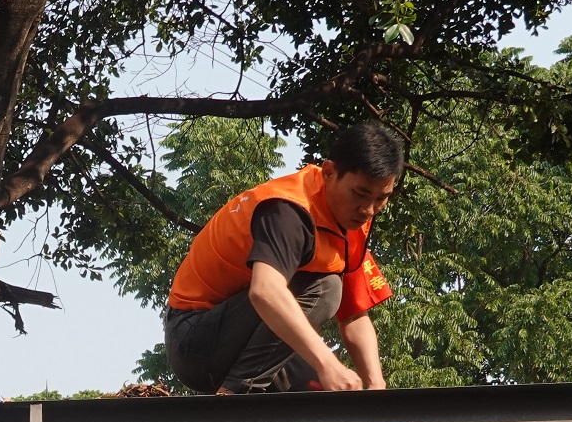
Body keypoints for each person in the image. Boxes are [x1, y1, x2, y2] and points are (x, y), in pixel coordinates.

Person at [163, 120, 406, 394]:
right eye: (360, 194)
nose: (369, 209)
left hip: (244, 341)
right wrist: (328, 363)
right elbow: (265, 292)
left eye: (381, 198)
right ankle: (237, 396)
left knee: (327, 389)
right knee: (326, 289)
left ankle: (255, 398)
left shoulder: (350, 222)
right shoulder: (288, 210)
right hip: (195, 341)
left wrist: (377, 388)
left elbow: (353, 316)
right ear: (329, 172)